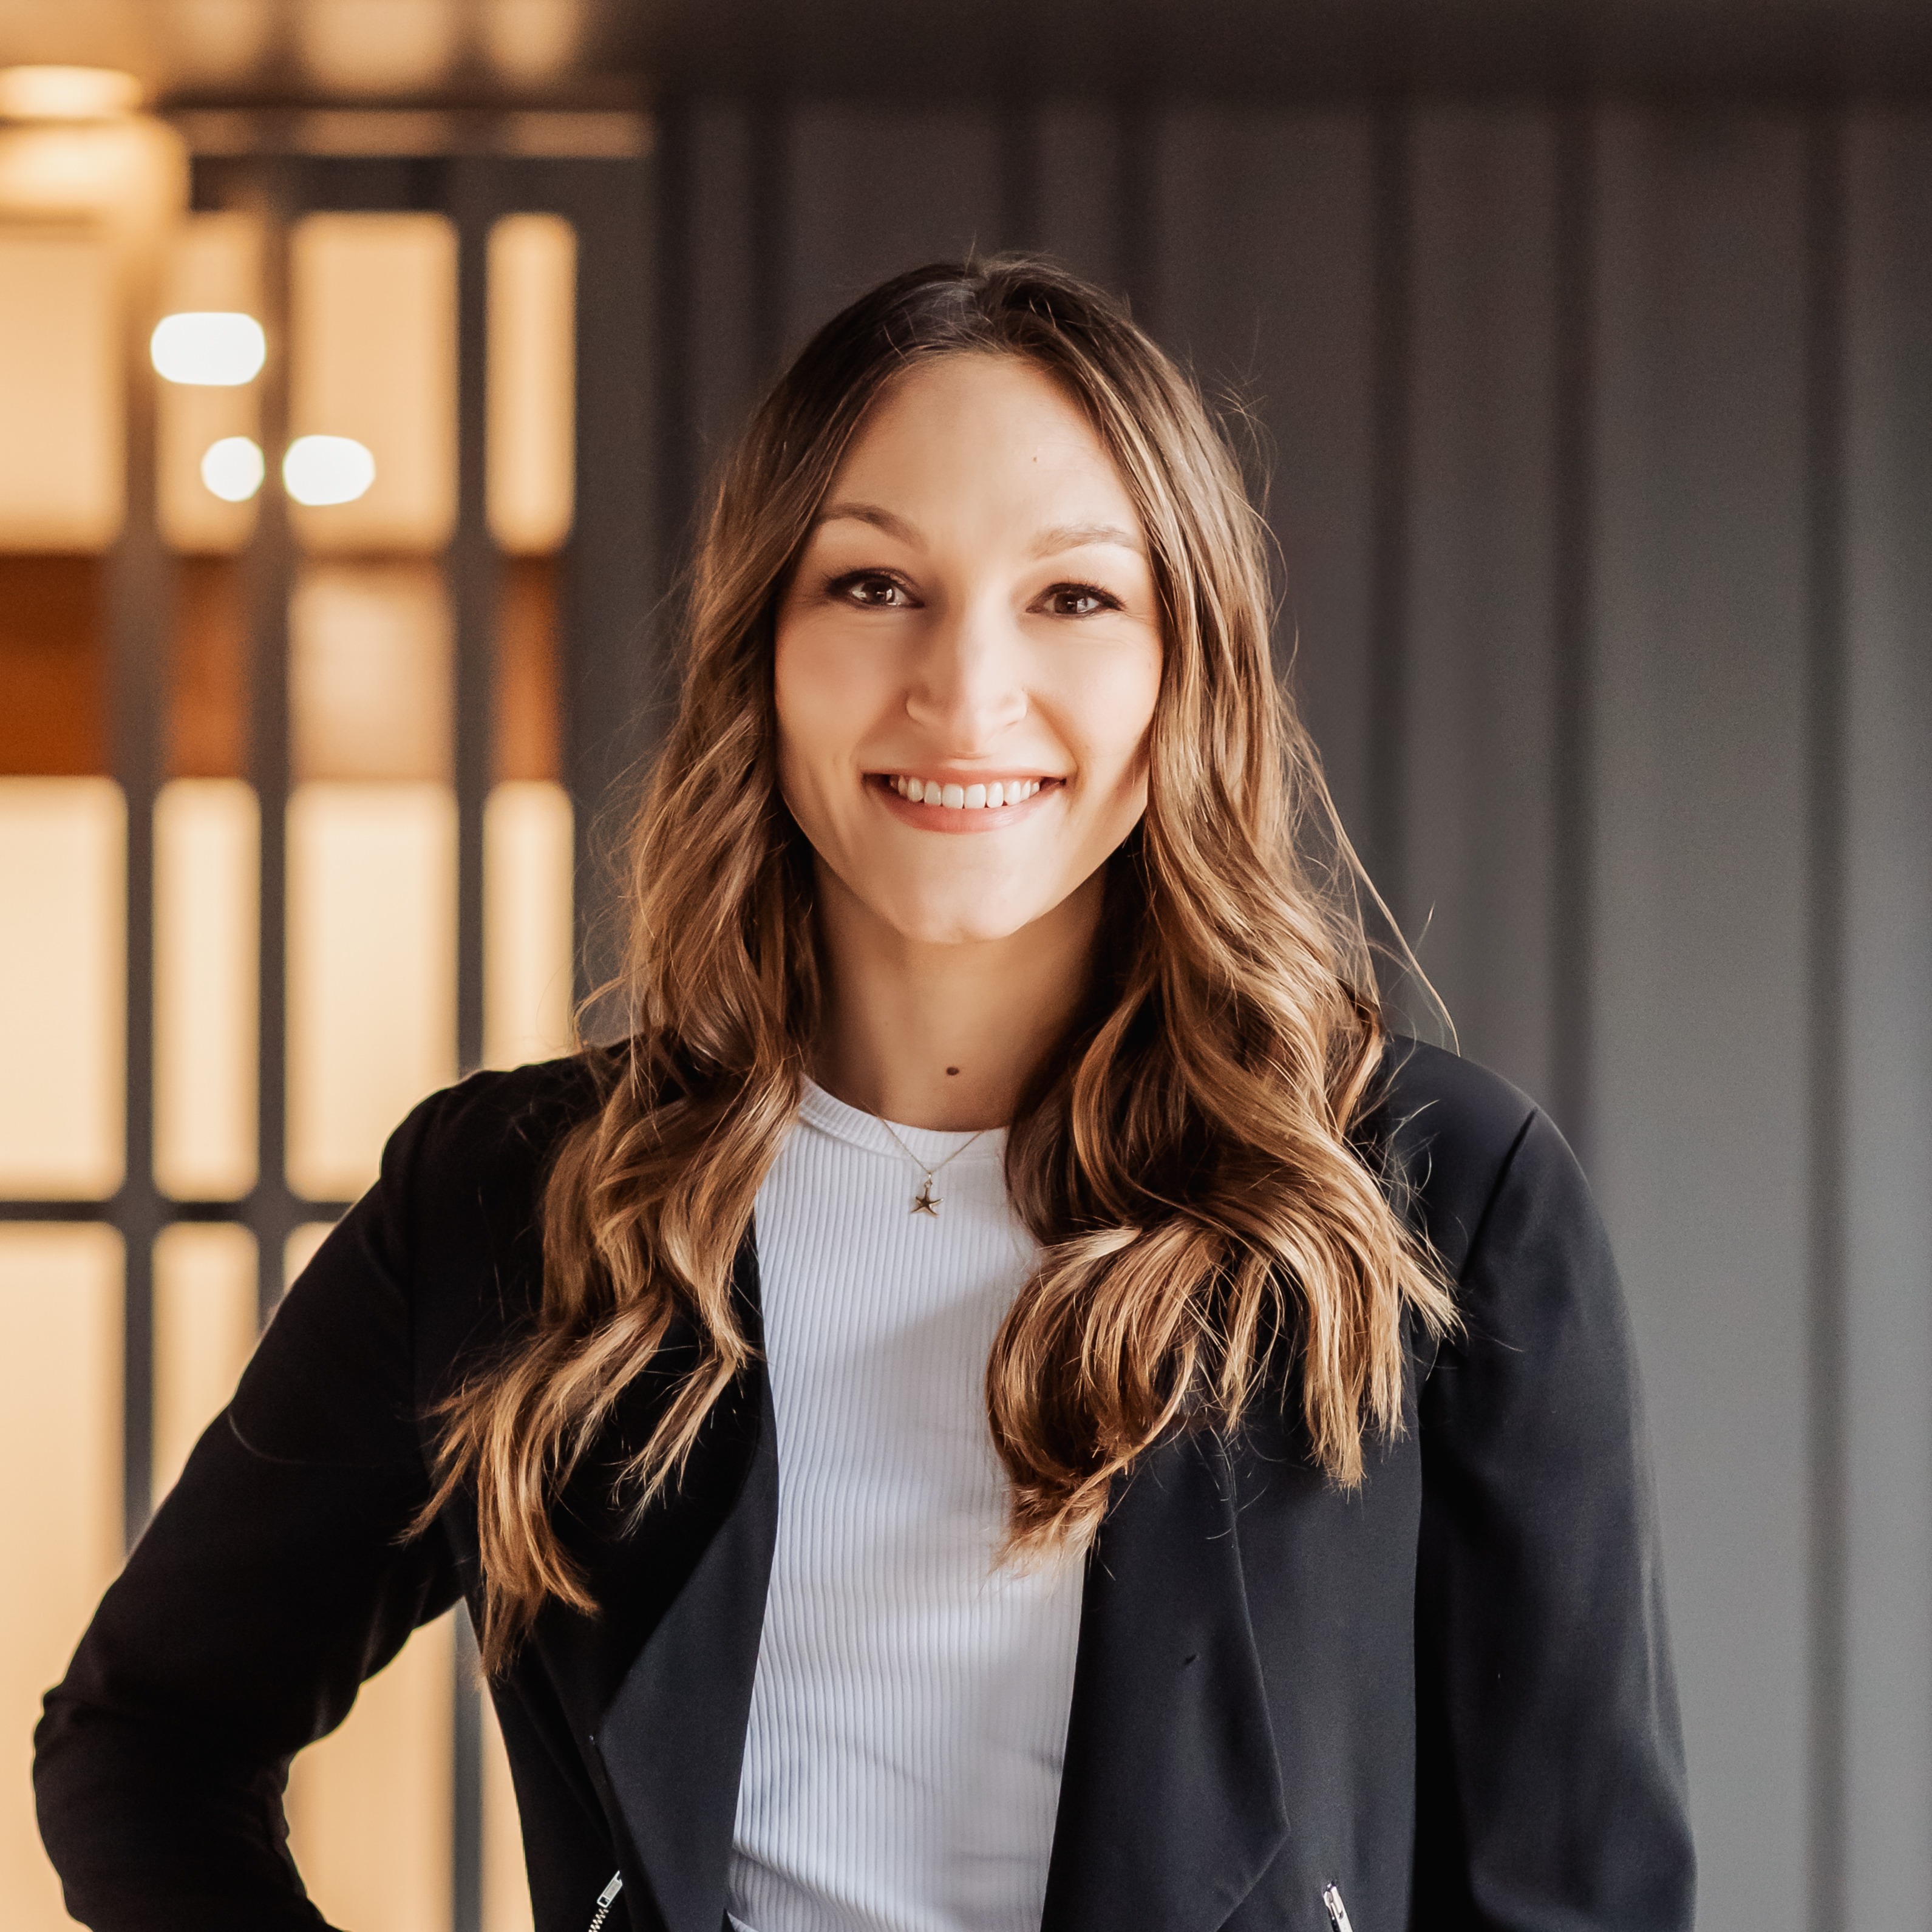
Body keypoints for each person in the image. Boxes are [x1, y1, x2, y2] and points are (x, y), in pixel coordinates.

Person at [35, 257, 1693, 1932]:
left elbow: (1581, 1892)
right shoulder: (511, 1198)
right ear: (762, 644)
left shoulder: (1428, 1192)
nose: (965, 692)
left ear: (1190, 666)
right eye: (875, 585)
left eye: (1074, 598)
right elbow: (147, 1738)